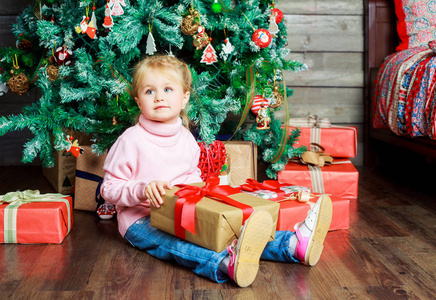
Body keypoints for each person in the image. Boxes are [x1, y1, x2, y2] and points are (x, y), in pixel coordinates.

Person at [100, 55, 333, 288]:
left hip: (182, 211)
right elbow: (108, 189)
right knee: (174, 244)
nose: (159, 96)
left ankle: (292, 244)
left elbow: (191, 177)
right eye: (149, 91)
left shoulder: (186, 139)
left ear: (184, 98)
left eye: (168, 89)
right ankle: (224, 262)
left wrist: (205, 200)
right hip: (141, 219)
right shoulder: (131, 140)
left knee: (227, 229)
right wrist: (142, 189)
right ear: (139, 102)